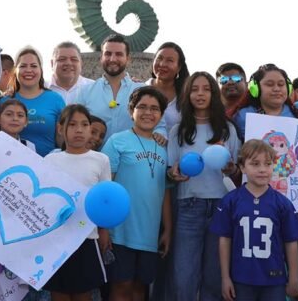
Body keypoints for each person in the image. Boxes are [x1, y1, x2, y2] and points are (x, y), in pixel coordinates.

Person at [227, 63, 298, 300]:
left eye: (281, 84)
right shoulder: (243, 117)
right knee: (270, 272)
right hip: (262, 210)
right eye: (269, 84)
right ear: (255, 89)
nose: (277, 89)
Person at [167, 71, 241, 301]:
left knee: (214, 276)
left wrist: (231, 169)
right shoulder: (177, 131)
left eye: (206, 89)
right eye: (194, 89)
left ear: (214, 94)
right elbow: (170, 171)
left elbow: (239, 173)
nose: (200, 94)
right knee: (184, 276)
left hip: (221, 206)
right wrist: (174, 173)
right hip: (188, 206)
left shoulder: (227, 129)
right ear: (187, 94)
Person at [211, 139, 298, 301]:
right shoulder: (230, 201)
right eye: (255, 164)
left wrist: (293, 278)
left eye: (267, 164)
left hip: (274, 279)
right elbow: (224, 240)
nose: (262, 169)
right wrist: (225, 277)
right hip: (241, 278)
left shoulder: (282, 204)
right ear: (242, 167)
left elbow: (291, 242)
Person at [101, 87, 172, 301]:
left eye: (154, 109)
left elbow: (165, 191)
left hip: (149, 234)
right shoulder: (117, 141)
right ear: (132, 110)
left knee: (141, 289)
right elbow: (105, 187)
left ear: (160, 115)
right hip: (120, 233)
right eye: (142, 107)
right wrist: (102, 229)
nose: (148, 113)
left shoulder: (164, 147)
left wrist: (168, 229)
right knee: (121, 287)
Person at [44, 105, 111, 300]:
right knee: (60, 293)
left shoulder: (101, 160)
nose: (79, 130)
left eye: (84, 124)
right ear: (60, 129)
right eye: (72, 124)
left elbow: (105, 201)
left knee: (83, 293)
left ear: (91, 129)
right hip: (57, 240)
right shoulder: (51, 160)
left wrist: (104, 232)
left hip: (87, 238)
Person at [77, 34, 160, 142]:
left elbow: (159, 125)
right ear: (101, 57)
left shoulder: (143, 92)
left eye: (119, 54)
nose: (112, 59)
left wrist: (160, 133)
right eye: (108, 54)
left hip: (132, 158)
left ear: (128, 59)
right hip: (94, 157)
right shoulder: (85, 92)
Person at [0, 46, 65, 156]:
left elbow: (62, 140)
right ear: (16, 70)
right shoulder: (5, 100)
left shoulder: (55, 99)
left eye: (34, 66)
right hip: (12, 167)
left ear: (41, 70)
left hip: (48, 167)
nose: (28, 70)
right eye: (23, 66)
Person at [146, 42, 189, 131]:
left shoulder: (186, 95)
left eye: (170, 60)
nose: (162, 64)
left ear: (179, 67)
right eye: (159, 58)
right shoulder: (140, 89)